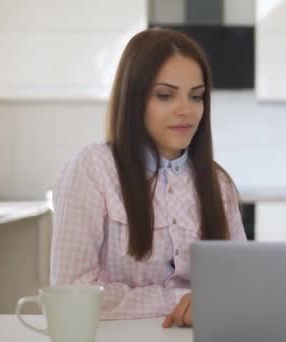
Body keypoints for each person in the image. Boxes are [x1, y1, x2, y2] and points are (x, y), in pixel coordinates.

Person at [50, 28, 246, 328]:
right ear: (133, 99)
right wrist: (184, 299)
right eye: (165, 95)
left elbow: (239, 287)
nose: (187, 110)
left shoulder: (218, 183)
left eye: (196, 96)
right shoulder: (92, 169)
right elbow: (71, 292)